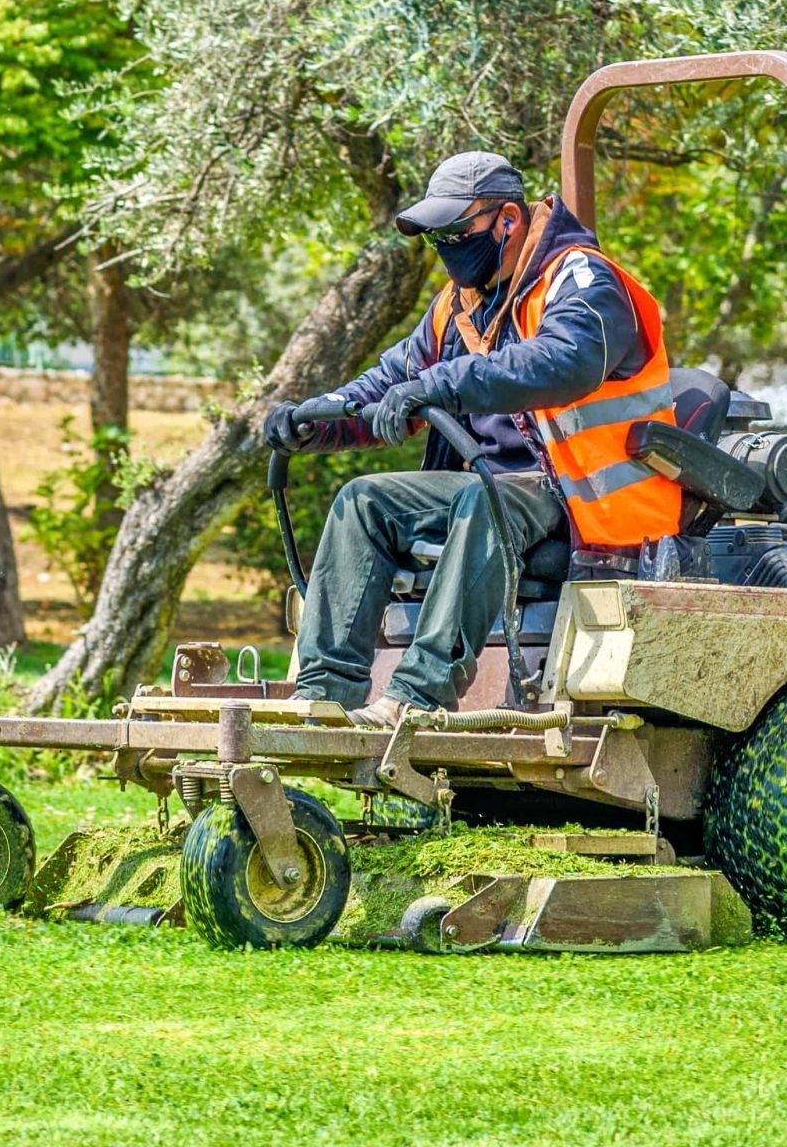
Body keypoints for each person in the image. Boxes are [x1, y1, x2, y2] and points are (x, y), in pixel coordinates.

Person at [265, 151, 685, 726]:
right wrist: (318, 418)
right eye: (436, 236)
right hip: (492, 491)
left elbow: (567, 361)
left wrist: (443, 385)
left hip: (582, 503)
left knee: (480, 498)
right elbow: (393, 383)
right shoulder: (458, 307)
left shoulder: (584, 278)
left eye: (457, 231)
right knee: (364, 502)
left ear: (507, 219)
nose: (446, 247)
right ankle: (322, 696)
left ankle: (415, 699)